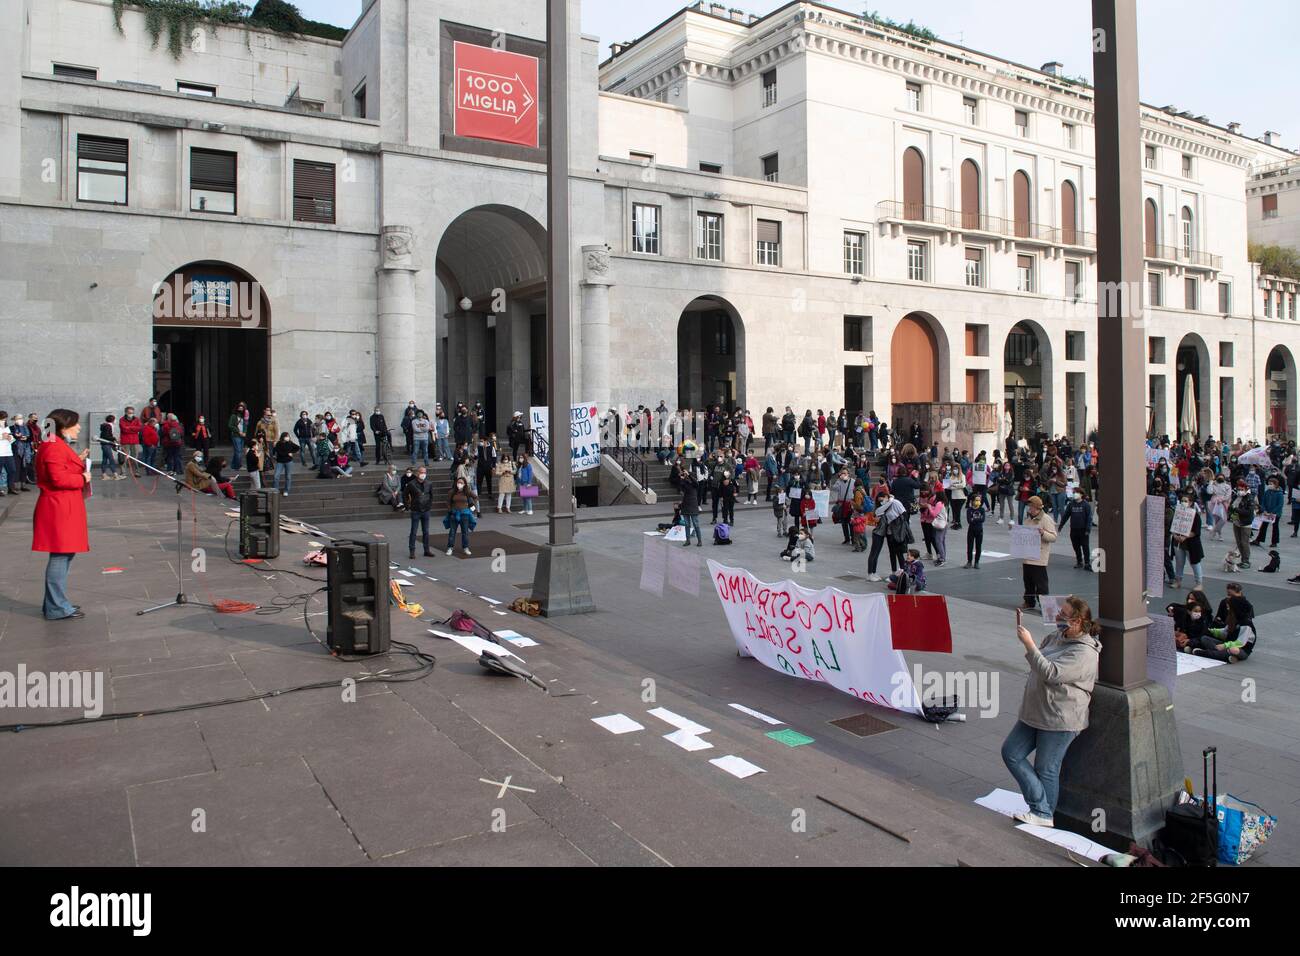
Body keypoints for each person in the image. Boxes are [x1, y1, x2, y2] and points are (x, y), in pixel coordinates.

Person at [1000, 595, 1102, 827]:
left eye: (1063, 615)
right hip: (1036, 711)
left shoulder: (1085, 653)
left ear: (1077, 621)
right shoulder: (1057, 636)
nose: (1057, 617)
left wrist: (1028, 644)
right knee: (1011, 752)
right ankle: (1041, 807)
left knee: (1046, 768)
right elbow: (1040, 662)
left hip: (1060, 718)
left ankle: (1043, 813)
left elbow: (1051, 673)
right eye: (1059, 612)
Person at [32, 409, 91, 621]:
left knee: (64, 554)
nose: (79, 427)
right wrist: (83, 477)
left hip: (62, 507)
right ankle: (57, 607)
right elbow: (58, 479)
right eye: (75, 424)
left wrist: (76, 460)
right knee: (60, 555)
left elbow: (59, 469)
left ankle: (55, 603)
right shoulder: (53, 446)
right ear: (64, 426)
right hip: (59, 508)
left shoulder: (54, 444)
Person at [1020, 495, 1057, 610]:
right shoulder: (1028, 519)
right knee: (1028, 582)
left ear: (1037, 508)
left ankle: (1045, 606)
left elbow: (1053, 537)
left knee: (1041, 584)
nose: (1029, 509)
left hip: (1039, 557)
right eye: (1028, 506)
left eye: (1030, 507)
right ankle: (1029, 602)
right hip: (1028, 555)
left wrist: (1043, 533)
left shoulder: (1046, 519)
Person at [1172, 493, 1205, 588]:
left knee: (1195, 563)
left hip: (1190, 544)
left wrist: (1185, 536)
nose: (1183, 503)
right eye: (1182, 501)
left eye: (1186, 501)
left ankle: (1199, 583)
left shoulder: (1195, 515)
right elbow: (1173, 526)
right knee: (1179, 562)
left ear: (1190, 503)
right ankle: (1178, 580)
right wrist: (1175, 535)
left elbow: (1196, 531)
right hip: (1177, 542)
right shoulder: (1177, 512)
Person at [405, 466, 436, 558]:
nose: (423, 474)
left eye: (425, 472)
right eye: (422, 472)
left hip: (426, 510)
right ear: (418, 473)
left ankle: (426, 550)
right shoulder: (411, 484)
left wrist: (429, 505)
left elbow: (431, 495)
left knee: (426, 531)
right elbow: (405, 494)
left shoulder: (429, 483)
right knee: (413, 531)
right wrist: (408, 506)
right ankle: (412, 551)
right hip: (416, 510)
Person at [672, 462, 703, 547]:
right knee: (687, 525)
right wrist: (682, 478)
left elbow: (695, 483)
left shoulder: (694, 484)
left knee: (696, 524)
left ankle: (699, 540)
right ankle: (688, 540)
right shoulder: (684, 483)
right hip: (685, 505)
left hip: (693, 505)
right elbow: (681, 487)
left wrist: (688, 475)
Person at [444, 477, 478, 556]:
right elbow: (448, 502)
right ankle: (450, 547)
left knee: (465, 532)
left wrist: (473, 507)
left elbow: (475, 497)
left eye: (461, 483)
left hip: (465, 514)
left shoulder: (467, 492)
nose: (459, 484)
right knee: (452, 532)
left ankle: (465, 548)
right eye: (458, 482)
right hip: (454, 513)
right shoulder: (452, 492)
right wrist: (450, 510)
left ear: (464, 484)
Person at [1066, 486, 1093, 571]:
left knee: (1085, 546)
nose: (1074, 494)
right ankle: (1079, 561)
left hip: (1083, 529)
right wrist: (1061, 525)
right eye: (1073, 493)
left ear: (1081, 494)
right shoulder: (1071, 504)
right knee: (1076, 546)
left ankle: (1087, 563)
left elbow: (1089, 518)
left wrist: (1088, 529)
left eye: (1076, 492)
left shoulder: (1086, 505)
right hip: (1074, 529)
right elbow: (1066, 515)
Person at [118, 406, 143, 477]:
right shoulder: (122, 420)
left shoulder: (137, 419)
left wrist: (129, 427)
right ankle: (123, 472)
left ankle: (137, 472)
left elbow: (140, 428)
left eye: (132, 413)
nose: (131, 414)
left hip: (135, 441)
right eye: (129, 413)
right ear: (126, 412)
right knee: (124, 458)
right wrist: (134, 428)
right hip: (125, 441)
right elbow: (124, 429)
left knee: (135, 457)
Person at [965, 490, 987, 569]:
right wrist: (977, 519)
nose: (978, 502)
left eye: (979, 500)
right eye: (976, 500)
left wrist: (974, 519)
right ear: (972, 501)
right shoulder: (969, 510)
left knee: (978, 547)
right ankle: (969, 561)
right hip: (971, 530)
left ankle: (977, 562)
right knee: (969, 547)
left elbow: (983, 519)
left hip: (979, 530)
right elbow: (969, 521)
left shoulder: (982, 510)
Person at [273, 432, 298, 496]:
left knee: (288, 477)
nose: (288, 437)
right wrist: (288, 453)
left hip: (288, 461)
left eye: (288, 436)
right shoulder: (279, 443)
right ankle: (276, 490)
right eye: (287, 436)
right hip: (280, 462)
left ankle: (286, 490)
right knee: (276, 476)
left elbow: (297, 447)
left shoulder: (290, 443)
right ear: (283, 437)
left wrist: (292, 452)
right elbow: (279, 452)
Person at [97, 415, 120, 480]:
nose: (115, 420)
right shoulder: (108, 426)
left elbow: (107, 436)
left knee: (105, 459)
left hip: (105, 444)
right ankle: (115, 474)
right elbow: (106, 436)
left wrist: (113, 444)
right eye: (115, 419)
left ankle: (104, 475)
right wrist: (114, 438)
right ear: (113, 420)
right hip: (106, 444)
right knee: (111, 459)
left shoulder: (107, 425)